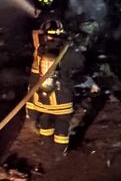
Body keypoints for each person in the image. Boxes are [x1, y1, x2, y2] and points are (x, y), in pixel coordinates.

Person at [26, 19, 83, 148]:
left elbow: (34, 77)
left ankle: (46, 147)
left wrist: (31, 107)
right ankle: (59, 153)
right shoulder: (68, 50)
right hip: (62, 98)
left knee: (45, 121)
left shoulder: (40, 51)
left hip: (43, 98)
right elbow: (80, 65)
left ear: (45, 34)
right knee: (62, 124)